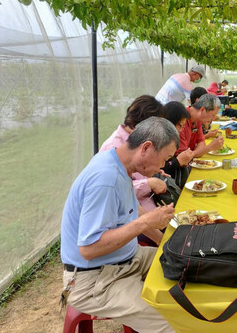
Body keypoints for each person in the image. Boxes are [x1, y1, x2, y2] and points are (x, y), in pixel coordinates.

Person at [61, 117, 179, 333]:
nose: (163, 166)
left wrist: (163, 241)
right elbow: (89, 249)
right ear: (146, 148)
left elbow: (134, 209)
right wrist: (144, 223)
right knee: (170, 322)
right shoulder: (105, 179)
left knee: (183, 264)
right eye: (165, 158)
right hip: (94, 280)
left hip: (126, 260)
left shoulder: (118, 163)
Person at [99, 95, 167, 245]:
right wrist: (148, 183)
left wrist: (152, 170)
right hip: (127, 224)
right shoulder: (114, 150)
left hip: (141, 211)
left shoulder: (132, 142)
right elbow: (119, 193)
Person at [178, 93, 224, 157]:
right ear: (202, 110)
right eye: (213, 115)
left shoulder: (198, 119)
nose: (213, 119)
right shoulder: (180, 121)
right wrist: (210, 147)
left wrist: (197, 152)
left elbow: (201, 144)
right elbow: (183, 157)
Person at [162, 101, 195, 187]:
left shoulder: (171, 138)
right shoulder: (158, 139)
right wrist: (177, 162)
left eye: (183, 126)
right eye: (180, 126)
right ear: (170, 121)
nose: (181, 130)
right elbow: (157, 170)